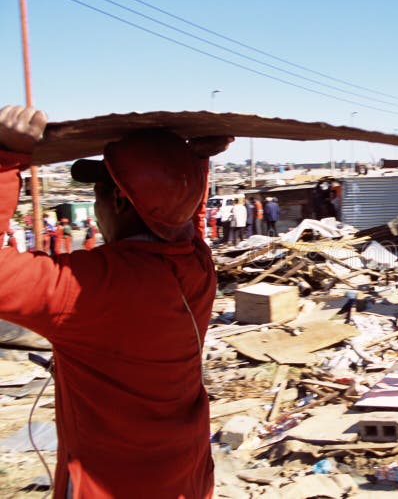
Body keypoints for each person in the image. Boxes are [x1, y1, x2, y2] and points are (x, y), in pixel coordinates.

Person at [0, 104, 232, 497]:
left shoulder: (86, 287)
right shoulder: (197, 267)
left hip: (108, 485)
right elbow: (182, 218)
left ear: (120, 202)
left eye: (98, 195)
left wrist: (6, 161)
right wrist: (191, 166)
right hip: (187, 475)